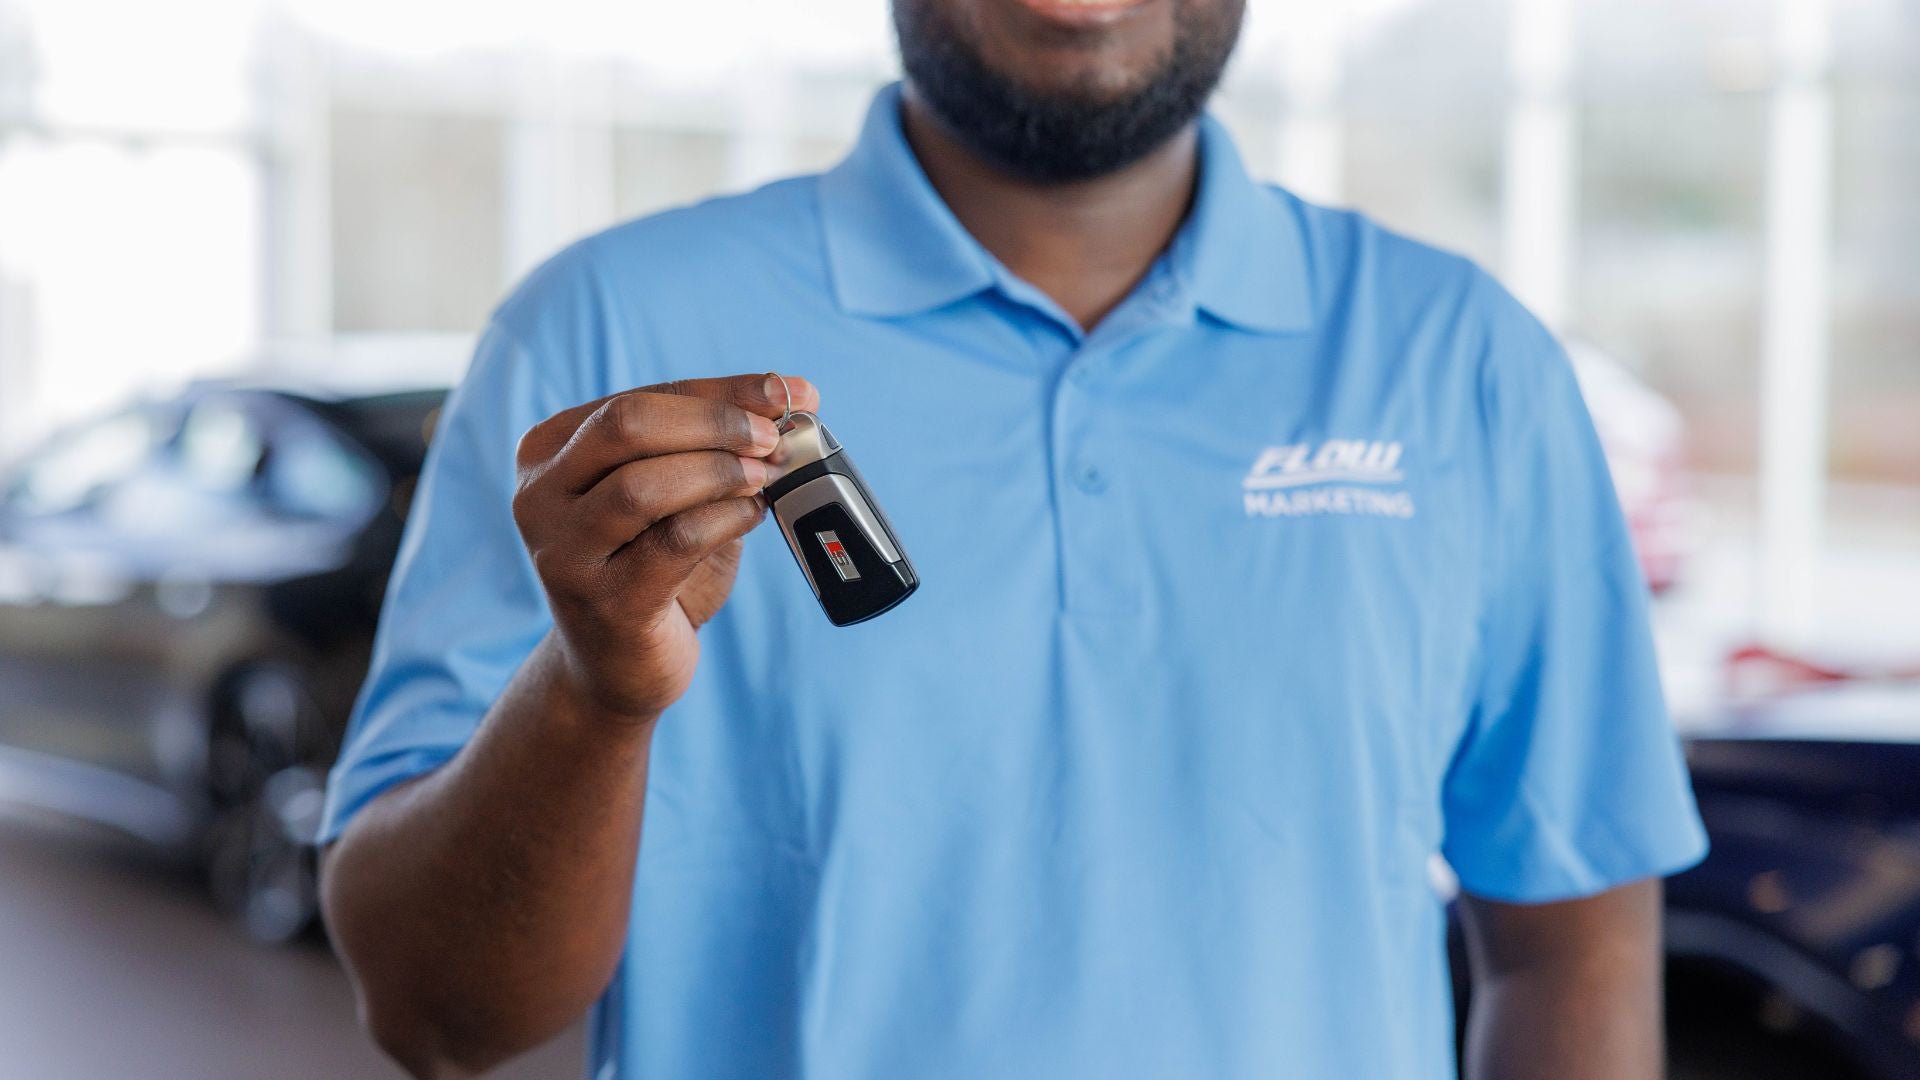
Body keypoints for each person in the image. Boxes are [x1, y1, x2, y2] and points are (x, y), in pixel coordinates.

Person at [318, 0, 1708, 1077]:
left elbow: (1569, 947)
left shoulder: (1462, 363)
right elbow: (437, 1019)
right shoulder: (606, 340)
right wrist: (591, 701)